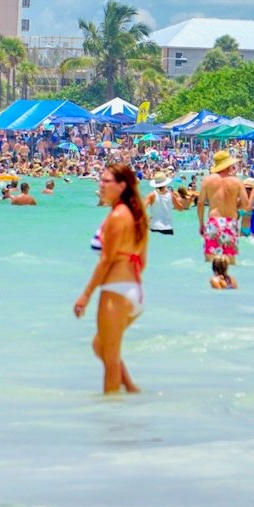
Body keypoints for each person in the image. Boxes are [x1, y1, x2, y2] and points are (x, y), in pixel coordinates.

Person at [73, 163, 148, 394]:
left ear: (122, 185)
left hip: (116, 291)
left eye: (107, 181)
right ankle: (132, 391)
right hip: (132, 290)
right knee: (101, 346)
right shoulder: (135, 214)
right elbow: (142, 259)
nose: (101, 185)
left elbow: (106, 260)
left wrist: (85, 295)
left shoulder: (118, 216)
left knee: (111, 358)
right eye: (101, 180)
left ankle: (113, 421)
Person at [197, 151, 245, 263]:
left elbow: (200, 203)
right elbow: (246, 204)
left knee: (210, 259)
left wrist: (201, 224)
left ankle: (214, 280)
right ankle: (228, 280)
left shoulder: (207, 180)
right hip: (230, 221)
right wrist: (235, 206)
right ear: (229, 165)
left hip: (213, 221)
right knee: (230, 260)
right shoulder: (236, 182)